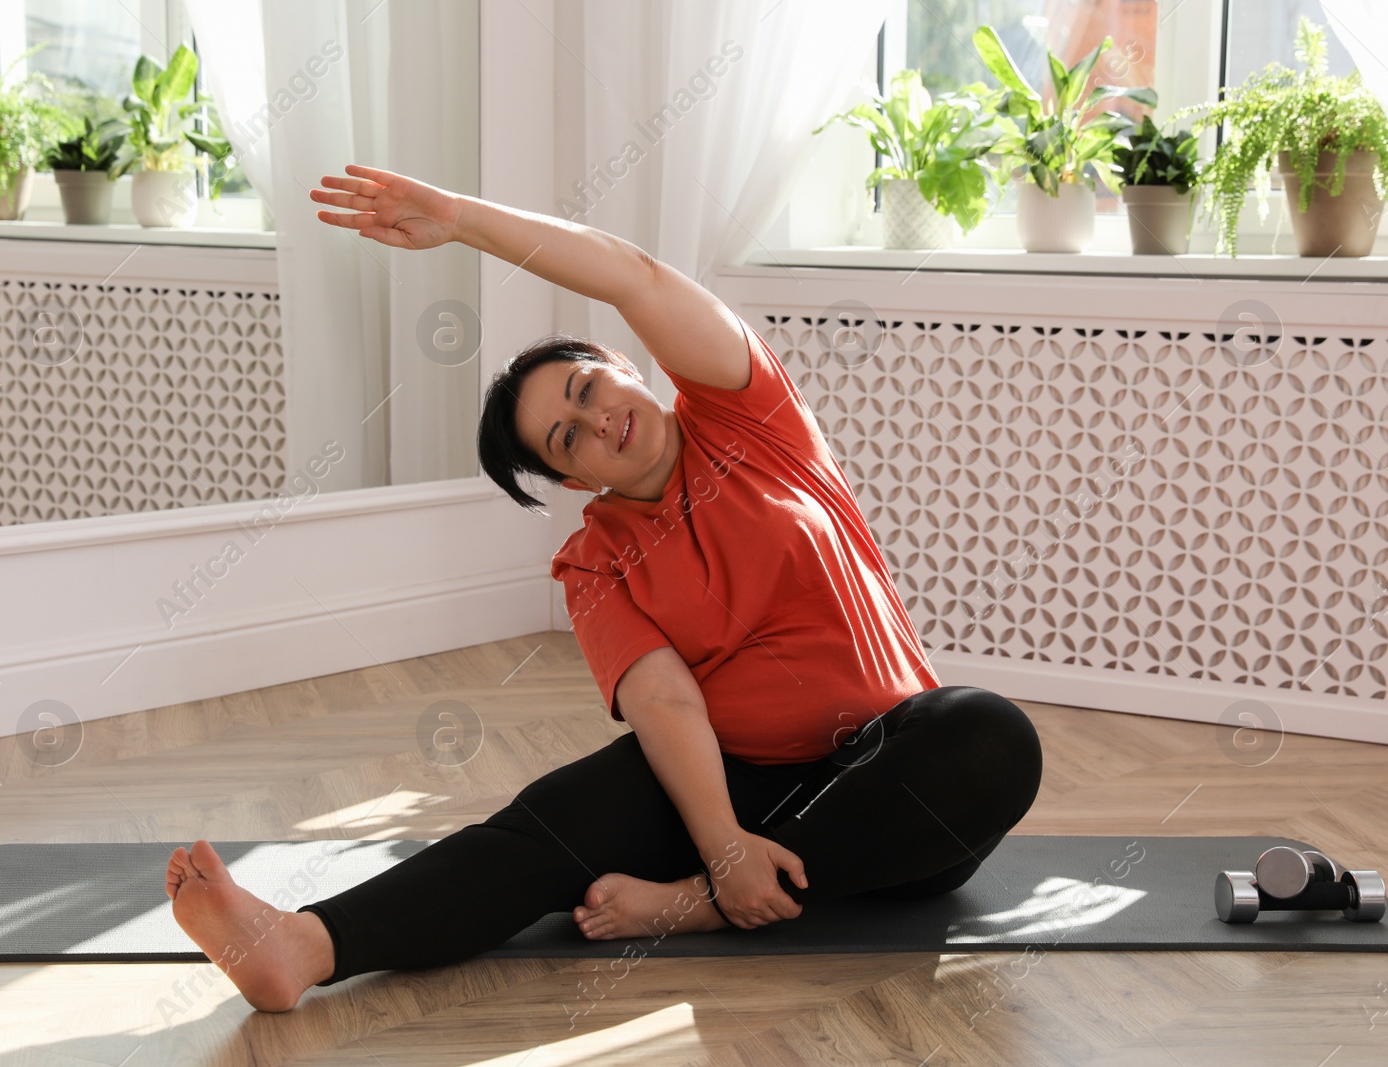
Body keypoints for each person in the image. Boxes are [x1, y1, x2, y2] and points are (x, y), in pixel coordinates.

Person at [165, 166, 1043, 1012]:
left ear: (625, 363)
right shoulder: (593, 558)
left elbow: (632, 274)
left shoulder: (752, 419)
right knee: (545, 823)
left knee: (987, 733)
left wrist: (461, 220)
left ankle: (691, 906)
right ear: (574, 480)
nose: (596, 422)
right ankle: (301, 947)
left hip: (892, 787)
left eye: (588, 389)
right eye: (567, 438)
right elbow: (663, 699)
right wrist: (724, 839)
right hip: (732, 784)